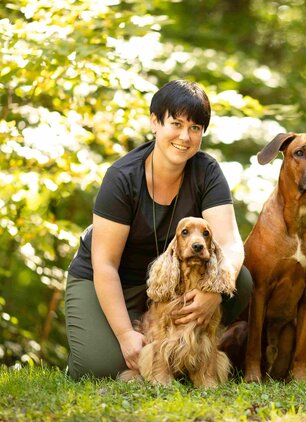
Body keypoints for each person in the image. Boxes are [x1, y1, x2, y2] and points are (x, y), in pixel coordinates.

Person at [64, 80, 251, 379]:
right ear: (155, 122)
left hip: (173, 282)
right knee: (98, 366)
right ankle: (133, 342)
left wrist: (213, 294)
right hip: (113, 280)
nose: (185, 137)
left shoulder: (207, 171)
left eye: (195, 128)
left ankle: (185, 353)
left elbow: (229, 246)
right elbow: (105, 264)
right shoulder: (121, 177)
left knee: (241, 278)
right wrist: (126, 334)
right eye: (176, 124)